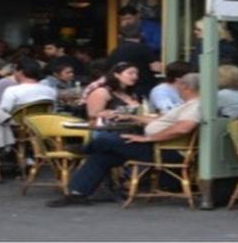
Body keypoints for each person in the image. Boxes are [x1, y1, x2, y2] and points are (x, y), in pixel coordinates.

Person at [46, 72, 201, 207]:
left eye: (178, 86)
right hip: (157, 145)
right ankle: (77, 193)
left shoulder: (195, 105)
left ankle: (84, 149)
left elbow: (183, 128)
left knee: (105, 140)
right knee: (103, 156)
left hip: (164, 149)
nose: (176, 89)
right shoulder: (187, 105)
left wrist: (148, 138)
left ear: (186, 87)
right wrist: (131, 117)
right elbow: (161, 121)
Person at [107, 23, 161, 98]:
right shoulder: (143, 48)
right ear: (142, 34)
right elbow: (156, 67)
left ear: (120, 36)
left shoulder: (115, 50)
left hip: (121, 86)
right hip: (143, 86)